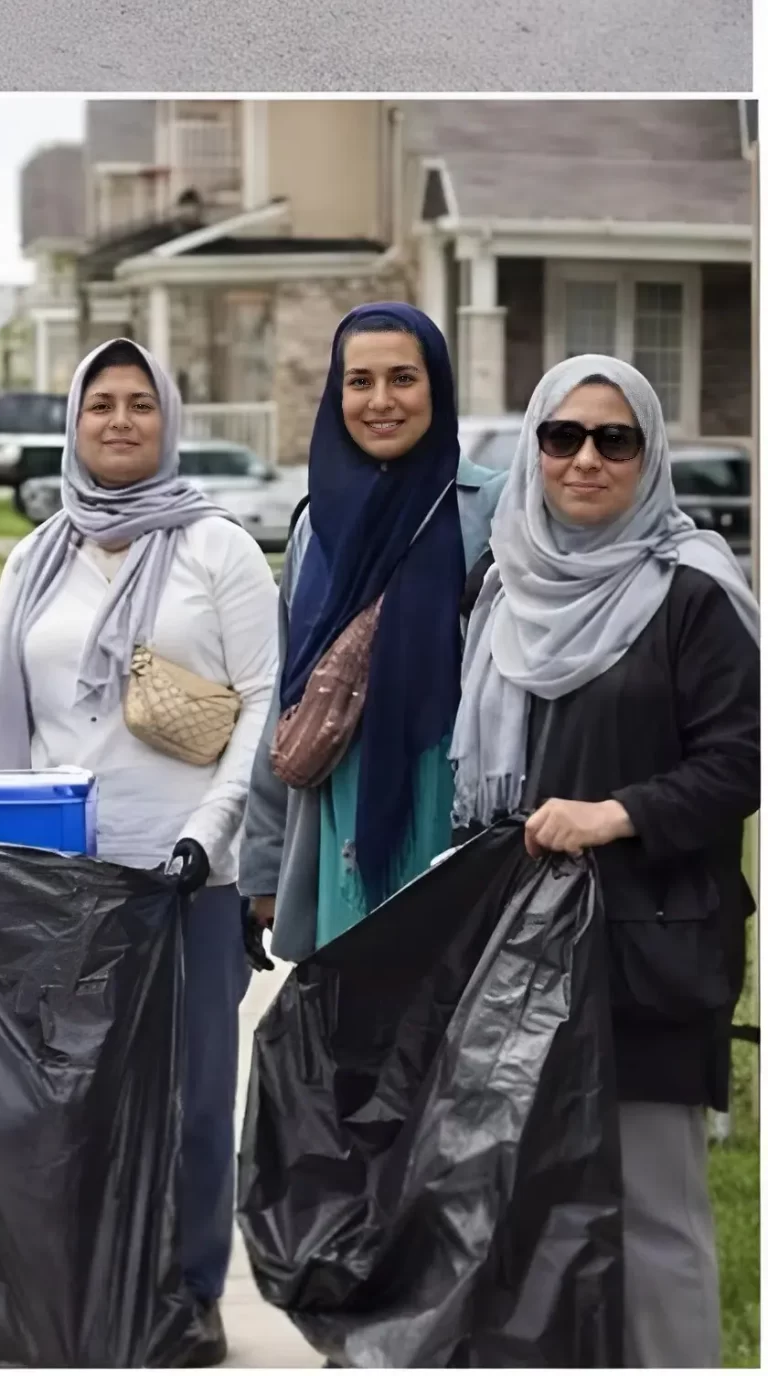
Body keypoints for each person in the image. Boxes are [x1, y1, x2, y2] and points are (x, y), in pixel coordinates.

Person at [0, 339, 278, 1371]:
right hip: (62, 874)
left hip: (183, 870)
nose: (116, 420)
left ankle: (189, 1290)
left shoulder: (217, 548)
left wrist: (213, 832)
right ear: (72, 419)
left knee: (192, 1097)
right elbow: (12, 717)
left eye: (137, 403)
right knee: (71, 1091)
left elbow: (265, 702)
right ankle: (87, 1275)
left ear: (168, 418)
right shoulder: (36, 555)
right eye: (98, 403)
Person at [450, 355, 759, 1369]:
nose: (584, 458)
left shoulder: (692, 591)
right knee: (532, 1206)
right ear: (533, 449)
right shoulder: (502, 585)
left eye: (613, 439)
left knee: (652, 1216)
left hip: (649, 948)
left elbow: (738, 760)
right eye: (561, 436)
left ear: (647, 453)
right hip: (521, 949)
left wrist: (615, 813)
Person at [240, 307, 505, 961]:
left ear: (436, 389)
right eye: (359, 381)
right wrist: (267, 868)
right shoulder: (315, 529)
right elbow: (288, 698)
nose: (380, 401)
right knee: (348, 1044)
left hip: (457, 828)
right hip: (338, 831)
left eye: (402, 379)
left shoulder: (492, 511)